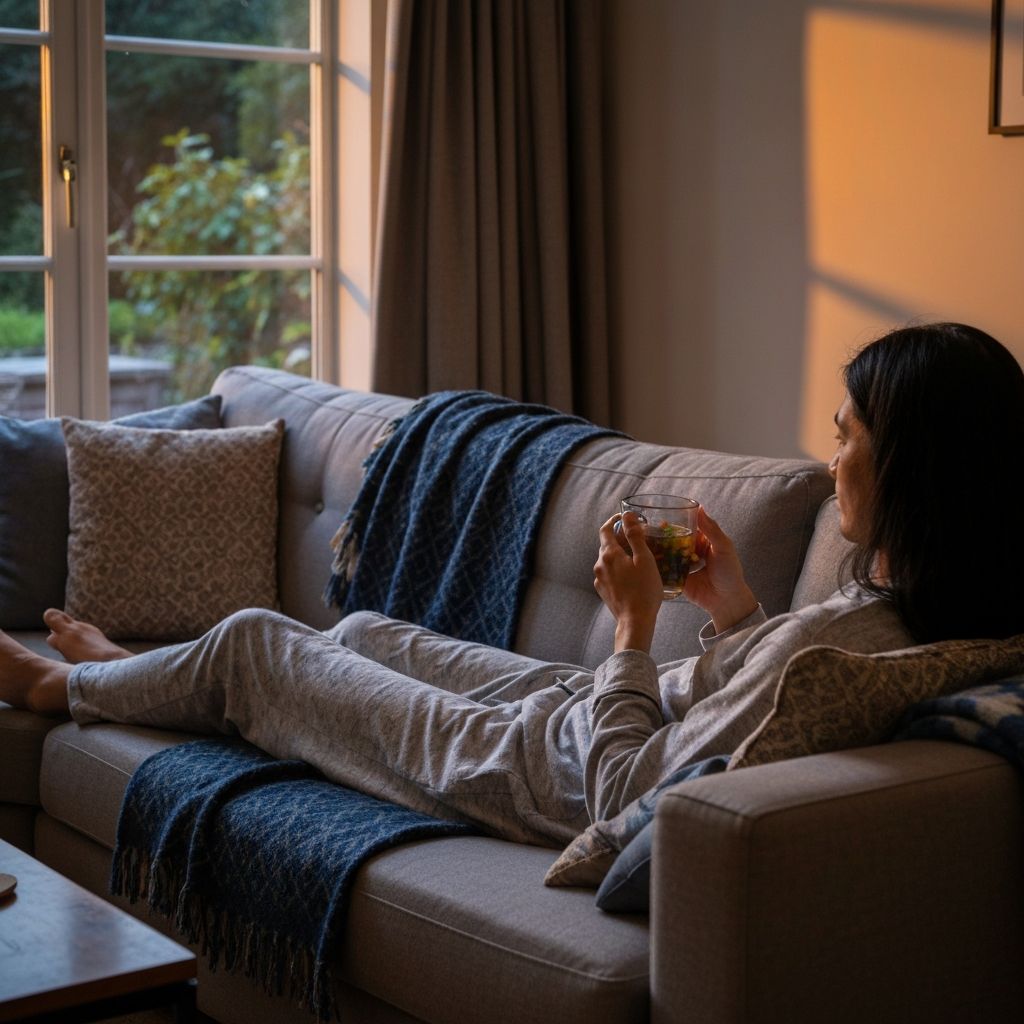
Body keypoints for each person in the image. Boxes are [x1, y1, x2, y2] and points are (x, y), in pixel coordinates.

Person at [1, 322, 1022, 847]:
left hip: (533, 771)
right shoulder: (916, 624)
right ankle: (156, 679)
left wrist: (629, 631)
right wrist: (729, 609)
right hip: (574, 717)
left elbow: (627, 795)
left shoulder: (842, 653)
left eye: (848, 435)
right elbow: (738, 714)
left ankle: (72, 686)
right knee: (360, 630)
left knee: (260, 642)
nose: (830, 452)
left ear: (912, 469)